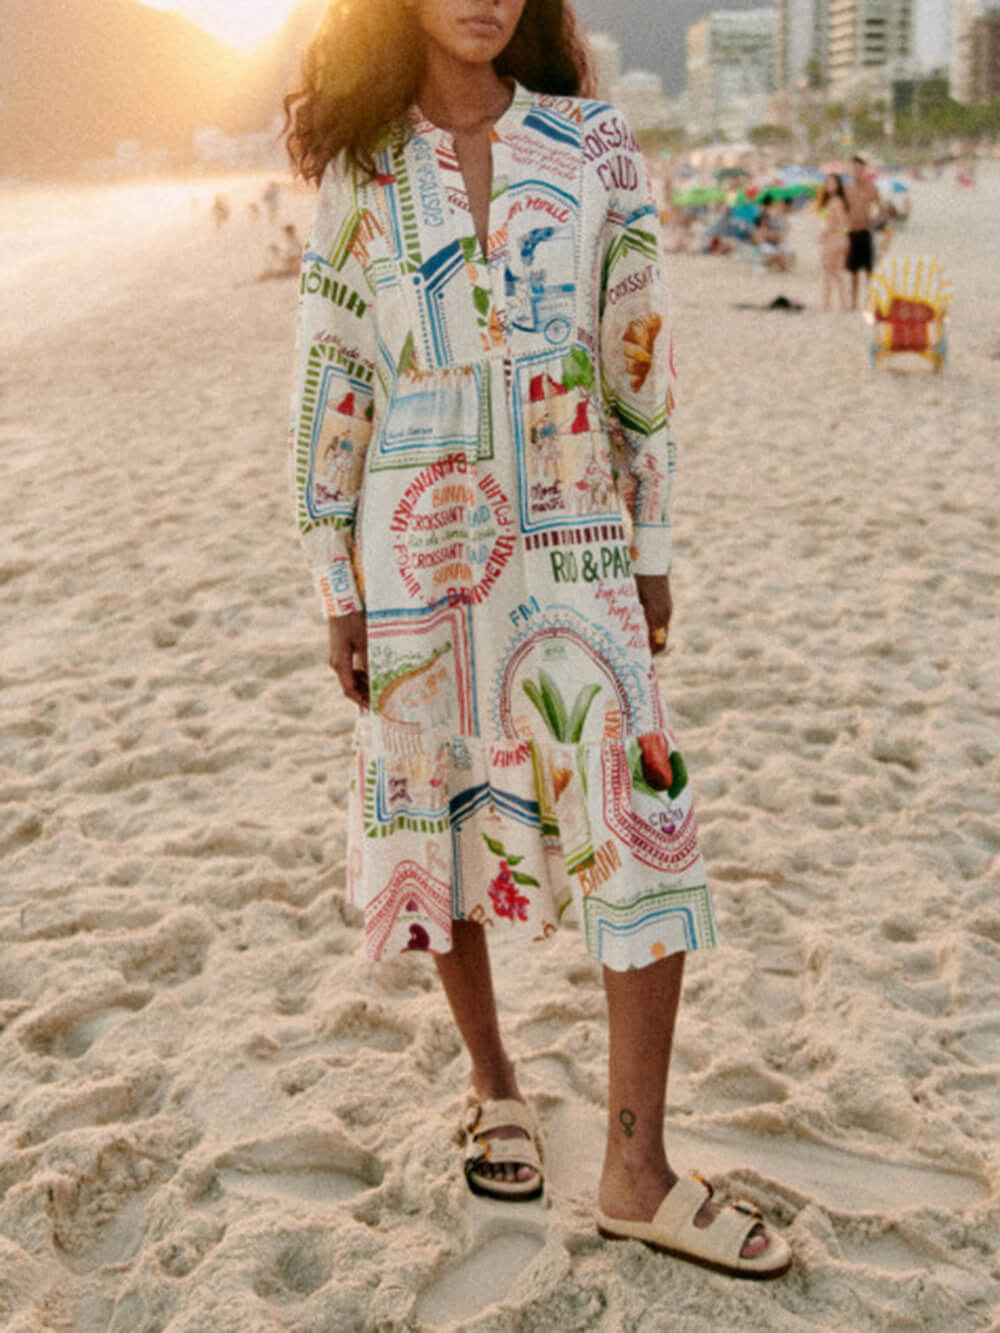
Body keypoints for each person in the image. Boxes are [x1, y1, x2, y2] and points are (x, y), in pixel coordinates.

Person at [284, 0, 790, 1280]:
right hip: (415, 542)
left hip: (573, 532)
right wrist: (334, 577)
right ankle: (494, 1081)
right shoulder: (362, 168)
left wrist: (650, 543)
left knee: (640, 816)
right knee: (435, 802)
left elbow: (639, 356)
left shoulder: (592, 143)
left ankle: (636, 1165)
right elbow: (332, 375)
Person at [843, 154, 881, 310]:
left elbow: (880, 207)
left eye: (859, 169)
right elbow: (842, 210)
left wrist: (875, 219)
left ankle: (871, 300)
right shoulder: (847, 189)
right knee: (853, 271)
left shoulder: (871, 188)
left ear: (864, 170)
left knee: (869, 269)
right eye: (854, 169)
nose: (856, 172)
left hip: (866, 231)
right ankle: (853, 302)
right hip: (851, 232)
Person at [815, 172, 849, 311]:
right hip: (839, 238)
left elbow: (839, 222)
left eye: (833, 183)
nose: (830, 185)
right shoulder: (837, 201)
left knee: (828, 273)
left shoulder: (835, 202)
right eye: (828, 183)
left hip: (832, 238)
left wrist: (824, 233)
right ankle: (842, 304)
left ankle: (827, 304)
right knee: (837, 273)